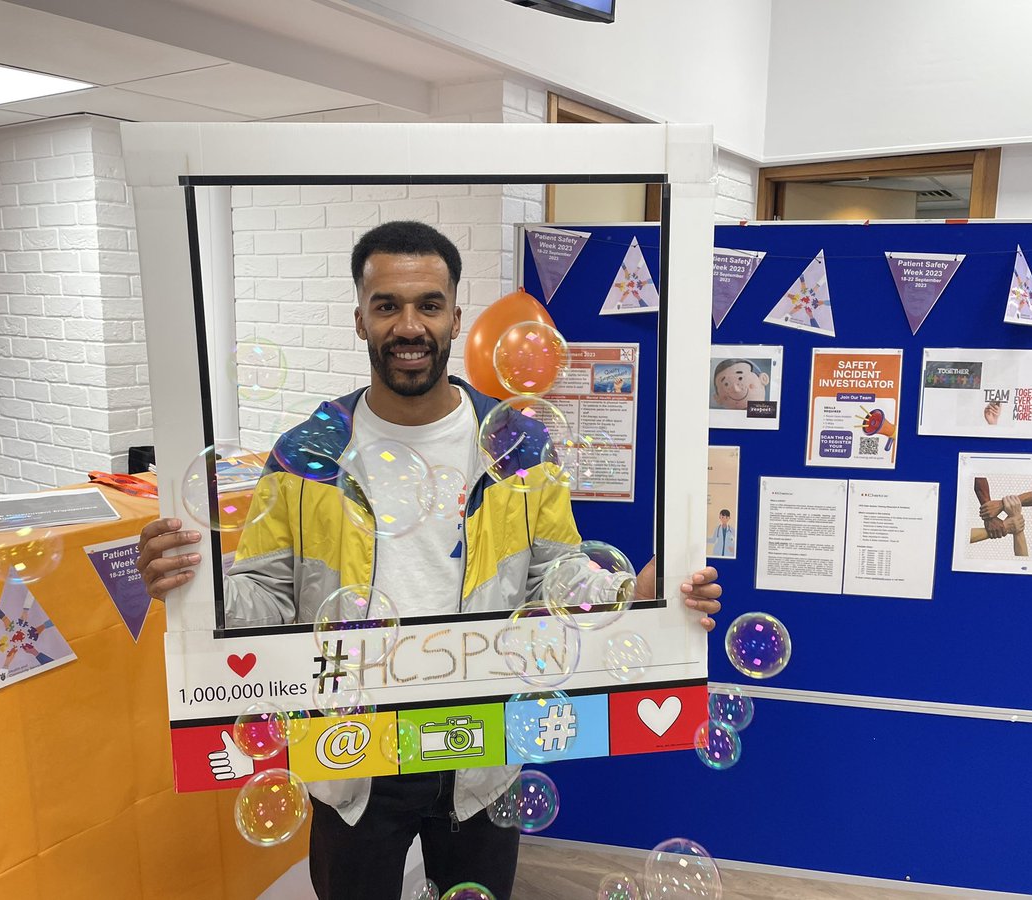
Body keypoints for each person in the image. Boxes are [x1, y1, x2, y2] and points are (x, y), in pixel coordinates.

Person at [136, 221, 723, 900]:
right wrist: (191, 586)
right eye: (388, 305)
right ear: (360, 319)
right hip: (350, 751)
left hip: (479, 748)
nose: (409, 325)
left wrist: (633, 592)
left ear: (454, 318)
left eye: (428, 305)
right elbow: (264, 597)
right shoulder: (308, 453)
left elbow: (555, 573)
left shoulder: (519, 445)